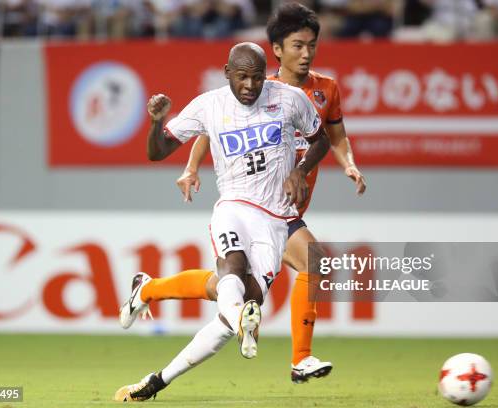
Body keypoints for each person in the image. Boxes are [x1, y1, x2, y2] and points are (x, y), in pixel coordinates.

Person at [136, 2, 367, 384]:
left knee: (232, 291)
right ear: (277, 48)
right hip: (251, 204)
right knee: (308, 262)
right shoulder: (243, 94)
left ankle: (149, 291)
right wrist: (191, 166)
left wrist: (340, 165)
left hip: (282, 210)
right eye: (298, 45)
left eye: (312, 45)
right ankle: (301, 358)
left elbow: (330, 138)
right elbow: (211, 129)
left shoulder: (318, 92)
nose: (306, 53)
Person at [114, 42, 330, 402]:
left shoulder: (290, 99)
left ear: (267, 75)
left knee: (232, 306)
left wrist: (301, 169)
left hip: (275, 221)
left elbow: (320, 141)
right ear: (226, 72)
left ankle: (157, 376)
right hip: (233, 206)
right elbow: (157, 152)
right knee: (232, 268)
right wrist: (156, 123)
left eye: (257, 78)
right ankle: (262, 332)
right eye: (242, 76)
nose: (249, 85)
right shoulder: (209, 105)